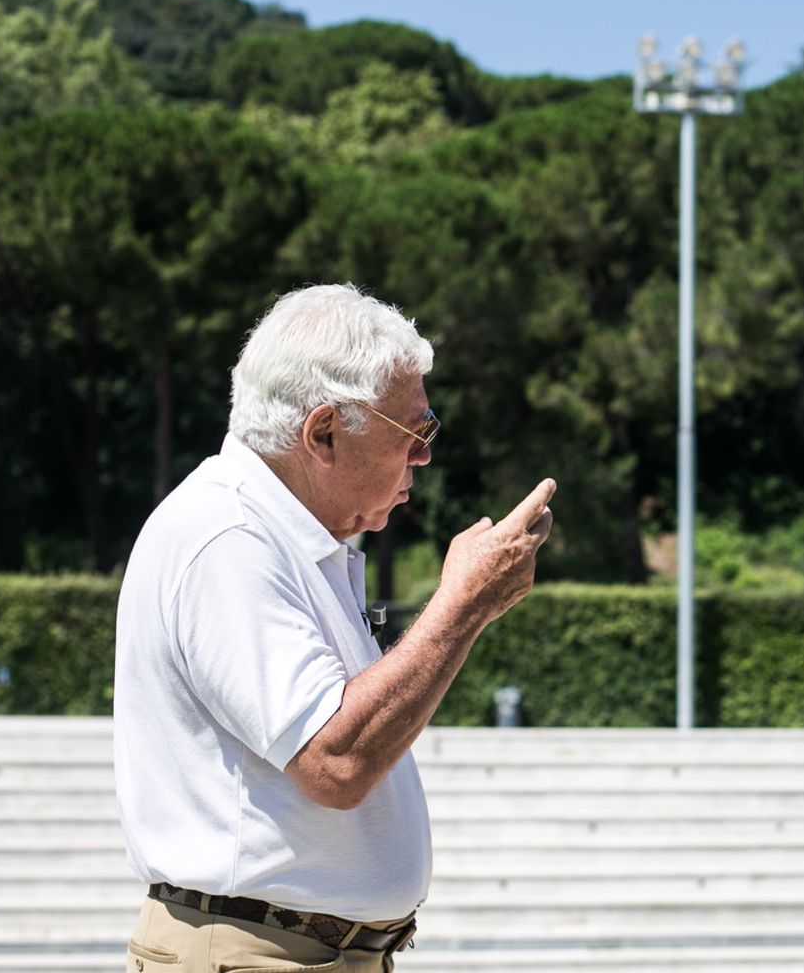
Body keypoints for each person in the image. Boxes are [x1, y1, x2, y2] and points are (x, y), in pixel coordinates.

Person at [114, 284, 555, 972]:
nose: (425, 457)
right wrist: (462, 605)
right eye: (416, 431)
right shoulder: (227, 536)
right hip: (254, 955)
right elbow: (336, 762)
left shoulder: (278, 536)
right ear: (322, 434)